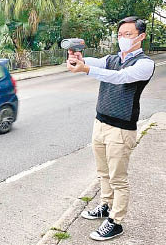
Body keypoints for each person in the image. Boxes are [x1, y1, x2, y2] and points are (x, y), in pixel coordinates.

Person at [66, 16, 155, 241]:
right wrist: (79, 59)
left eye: (128, 34)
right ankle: (106, 205)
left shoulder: (145, 64)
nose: (122, 38)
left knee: (118, 179)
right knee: (103, 173)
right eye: (119, 34)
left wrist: (85, 69)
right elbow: (96, 63)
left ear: (141, 37)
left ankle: (116, 222)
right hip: (101, 122)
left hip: (121, 129)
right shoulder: (112, 58)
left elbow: (119, 78)